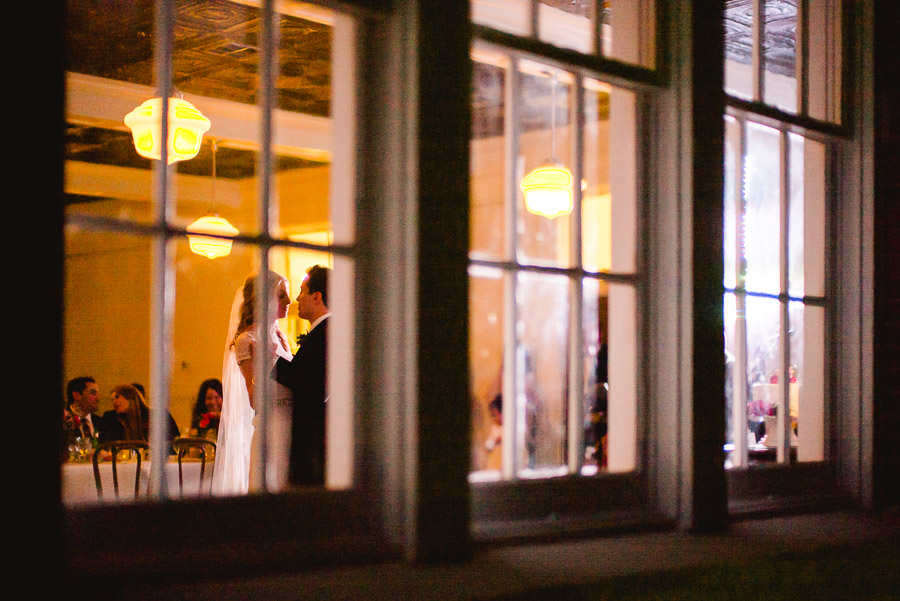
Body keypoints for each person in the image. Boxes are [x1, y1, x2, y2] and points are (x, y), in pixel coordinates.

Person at [214, 271, 293, 494]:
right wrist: (264, 363)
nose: (289, 301)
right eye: (281, 295)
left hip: (293, 422)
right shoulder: (246, 341)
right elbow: (253, 399)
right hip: (272, 425)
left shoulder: (281, 337)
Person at [275, 265, 331, 486]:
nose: (296, 299)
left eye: (301, 291)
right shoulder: (320, 331)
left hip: (312, 442)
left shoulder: (325, 332)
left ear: (316, 296)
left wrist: (270, 360)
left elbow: (307, 382)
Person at [98, 384, 179, 451]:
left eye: (117, 397)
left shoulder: (159, 416)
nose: (114, 402)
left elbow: (174, 442)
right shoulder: (111, 419)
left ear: (130, 397)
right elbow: (107, 445)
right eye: (112, 400)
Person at [64, 376, 102, 441]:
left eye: (97, 394)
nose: (98, 399)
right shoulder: (62, 420)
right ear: (77, 395)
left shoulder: (100, 422)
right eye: (93, 393)